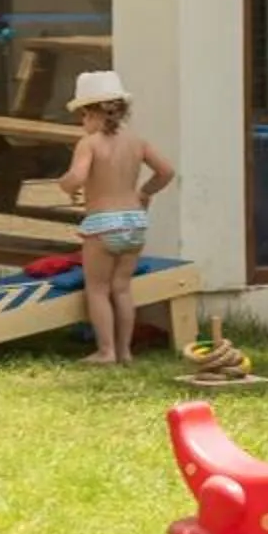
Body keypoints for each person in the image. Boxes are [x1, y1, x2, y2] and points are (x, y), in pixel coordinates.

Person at [58, 70, 175, 367]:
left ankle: (106, 351)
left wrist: (66, 184)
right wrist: (145, 193)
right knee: (122, 288)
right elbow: (166, 172)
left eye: (82, 117)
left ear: (89, 113)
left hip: (103, 224)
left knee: (97, 289)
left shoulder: (90, 143)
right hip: (134, 222)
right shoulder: (137, 141)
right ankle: (125, 351)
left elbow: (78, 176)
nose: (82, 124)